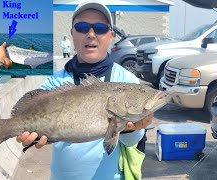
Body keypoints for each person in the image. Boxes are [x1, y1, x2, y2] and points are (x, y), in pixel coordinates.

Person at [14, 1, 153, 179]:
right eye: (82, 27)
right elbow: (35, 124)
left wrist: (131, 129)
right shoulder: (54, 82)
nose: (91, 34)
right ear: (72, 34)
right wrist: (31, 136)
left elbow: (133, 142)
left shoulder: (127, 81)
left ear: (111, 35)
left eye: (100, 28)